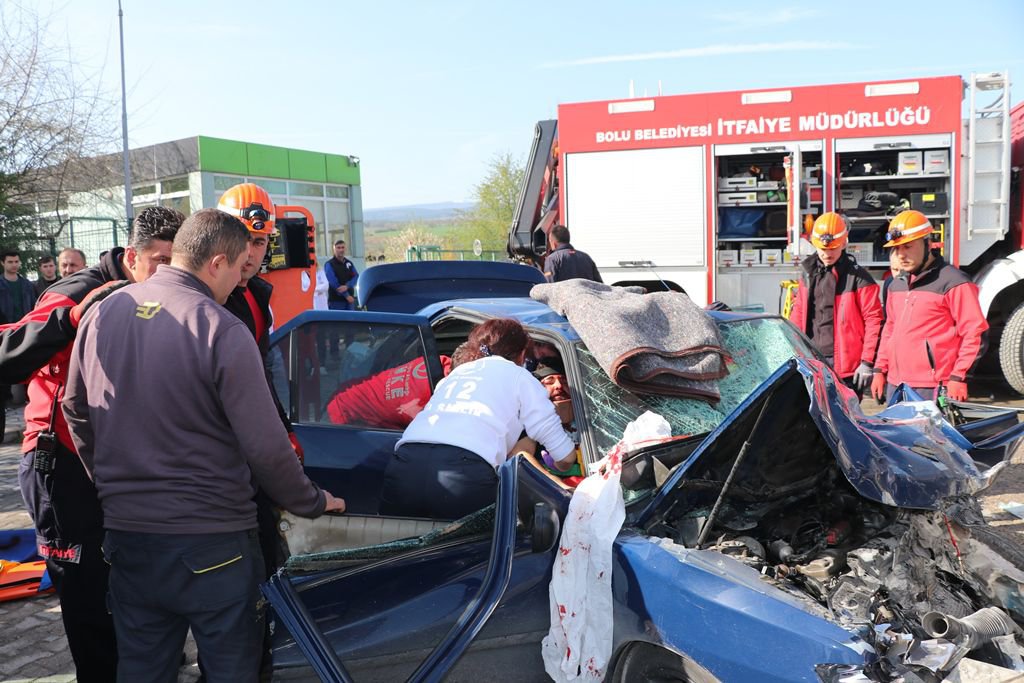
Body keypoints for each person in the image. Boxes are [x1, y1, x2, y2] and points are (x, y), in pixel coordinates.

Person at [61, 208, 345, 682]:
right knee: (233, 667)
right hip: (214, 542)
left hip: (130, 538)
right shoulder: (221, 327)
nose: (238, 283)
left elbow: (75, 409)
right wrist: (311, 501)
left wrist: (114, 484)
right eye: (237, 270)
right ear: (216, 262)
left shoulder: (103, 313)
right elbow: (266, 447)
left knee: (141, 667)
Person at [0, 206, 183, 682]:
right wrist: (70, 320)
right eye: (160, 261)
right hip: (60, 469)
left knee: (133, 586)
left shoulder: (166, 295)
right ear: (131, 257)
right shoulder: (76, 290)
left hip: (120, 467)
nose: (169, 272)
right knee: (87, 605)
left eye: (176, 261)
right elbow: (6, 353)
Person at [379, 318, 575, 520]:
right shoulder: (521, 377)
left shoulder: (456, 375)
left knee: (399, 546)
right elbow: (565, 457)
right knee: (471, 549)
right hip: (464, 473)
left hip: (405, 465)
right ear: (522, 353)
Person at [870, 210, 989, 402]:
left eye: (908, 247)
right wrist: (879, 369)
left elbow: (975, 332)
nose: (901, 255)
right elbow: (889, 330)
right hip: (896, 384)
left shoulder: (954, 282)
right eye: (896, 249)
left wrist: (959, 376)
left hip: (932, 387)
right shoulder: (895, 284)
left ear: (928, 244)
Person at [788, 212, 883, 396]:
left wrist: (866, 362)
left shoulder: (859, 278)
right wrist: (793, 349)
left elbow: (874, 321)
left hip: (847, 368)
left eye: (833, 248)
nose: (827, 253)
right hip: (812, 359)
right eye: (823, 249)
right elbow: (798, 315)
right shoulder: (808, 274)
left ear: (844, 243)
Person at [0, 250, 37, 324]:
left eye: (16, 261)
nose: (14, 265)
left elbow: (34, 306)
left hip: (25, 326)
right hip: (4, 328)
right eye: (10, 262)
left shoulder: (28, 284)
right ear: (2, 263)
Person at [325, 239, 358, 310]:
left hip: (350, 301)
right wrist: (346, 296)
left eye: (343, 247)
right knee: (338, 321)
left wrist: (347, 286)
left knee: (351, 321)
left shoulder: (349, 263)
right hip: (336, 301)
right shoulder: (329, 264)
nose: (341, 250)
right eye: (338, 247)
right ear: (334, 249)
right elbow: (333, 283)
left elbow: (356, 276)